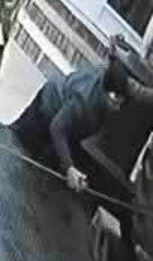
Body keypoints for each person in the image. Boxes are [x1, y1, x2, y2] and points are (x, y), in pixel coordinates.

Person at [12, 53, 153, 191]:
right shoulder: (84, 102)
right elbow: (57, 128)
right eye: (115, 102)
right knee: (19, 150)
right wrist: (69, 169)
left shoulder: (117, 82)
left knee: (44, 167)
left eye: (121, 104)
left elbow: (139, 92)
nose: (118, 108)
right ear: (106, 92)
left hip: (71, 127)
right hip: (45, 112)